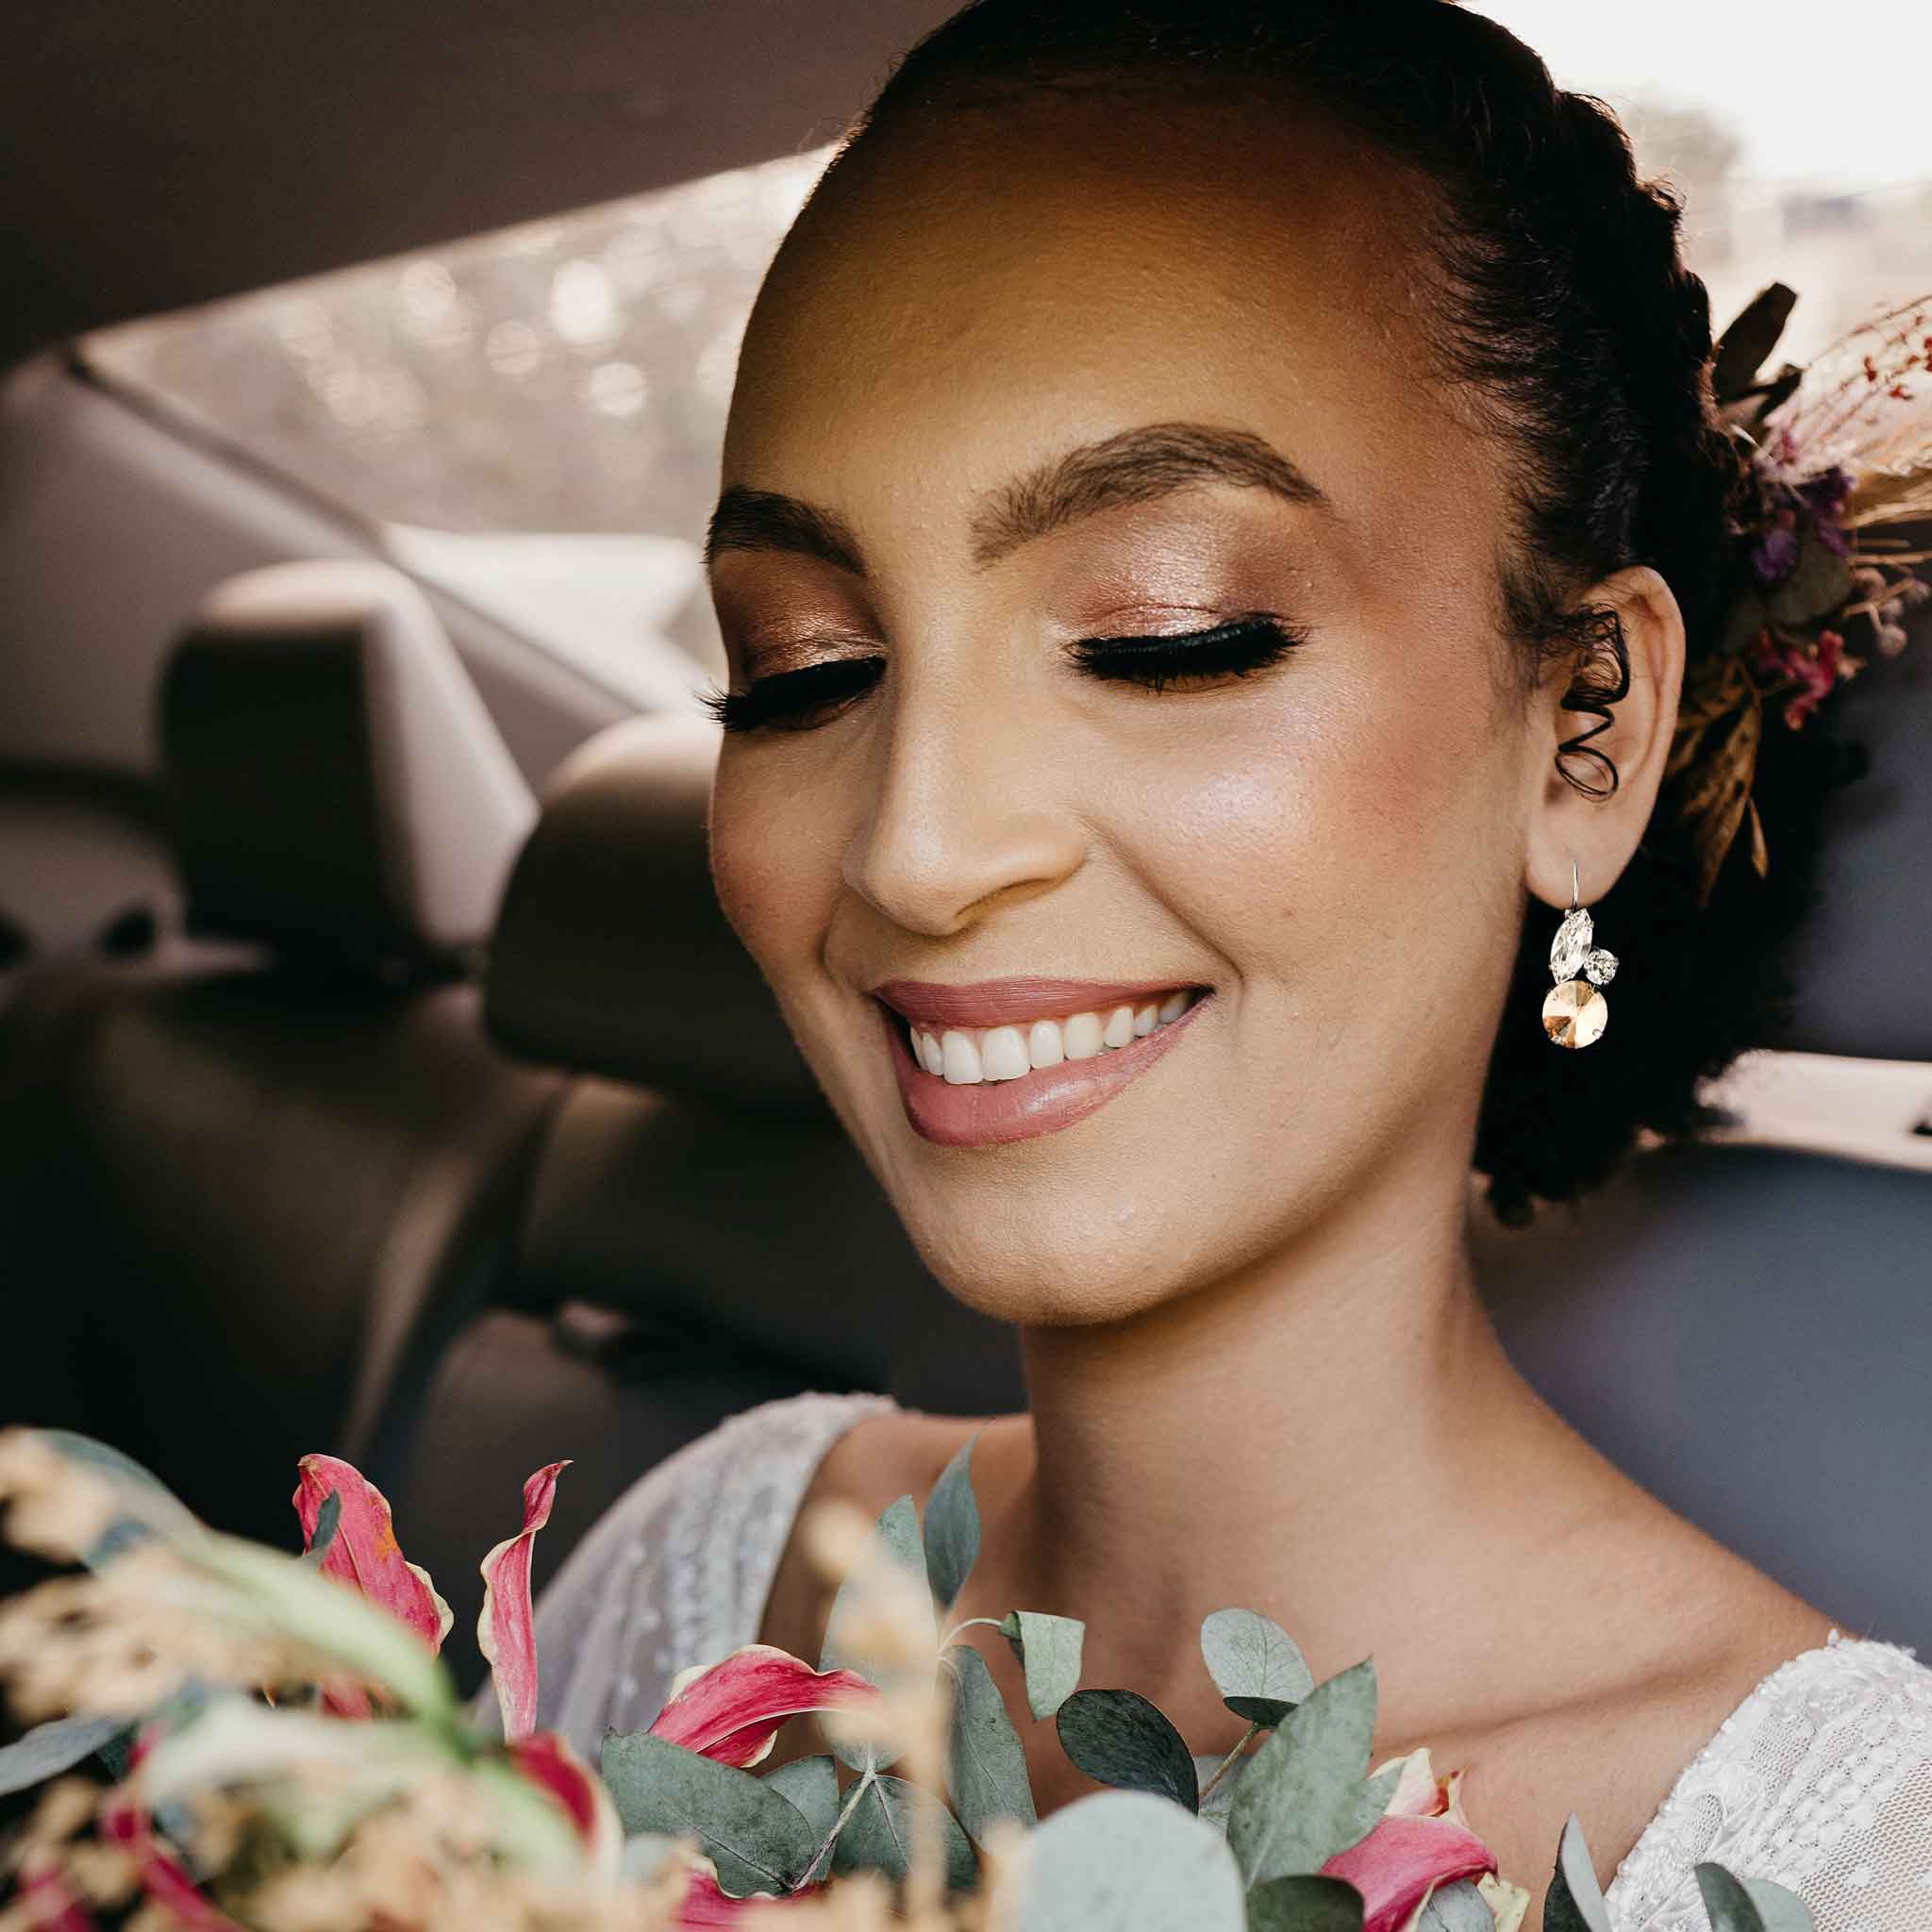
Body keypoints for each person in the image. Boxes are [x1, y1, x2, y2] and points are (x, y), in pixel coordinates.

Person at [525, 4, 1932, 1924]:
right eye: (804, 669)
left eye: (1171, 637)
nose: (915, 849)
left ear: (1582, 725)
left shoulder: (1844, 1861)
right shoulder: (694, 1575)